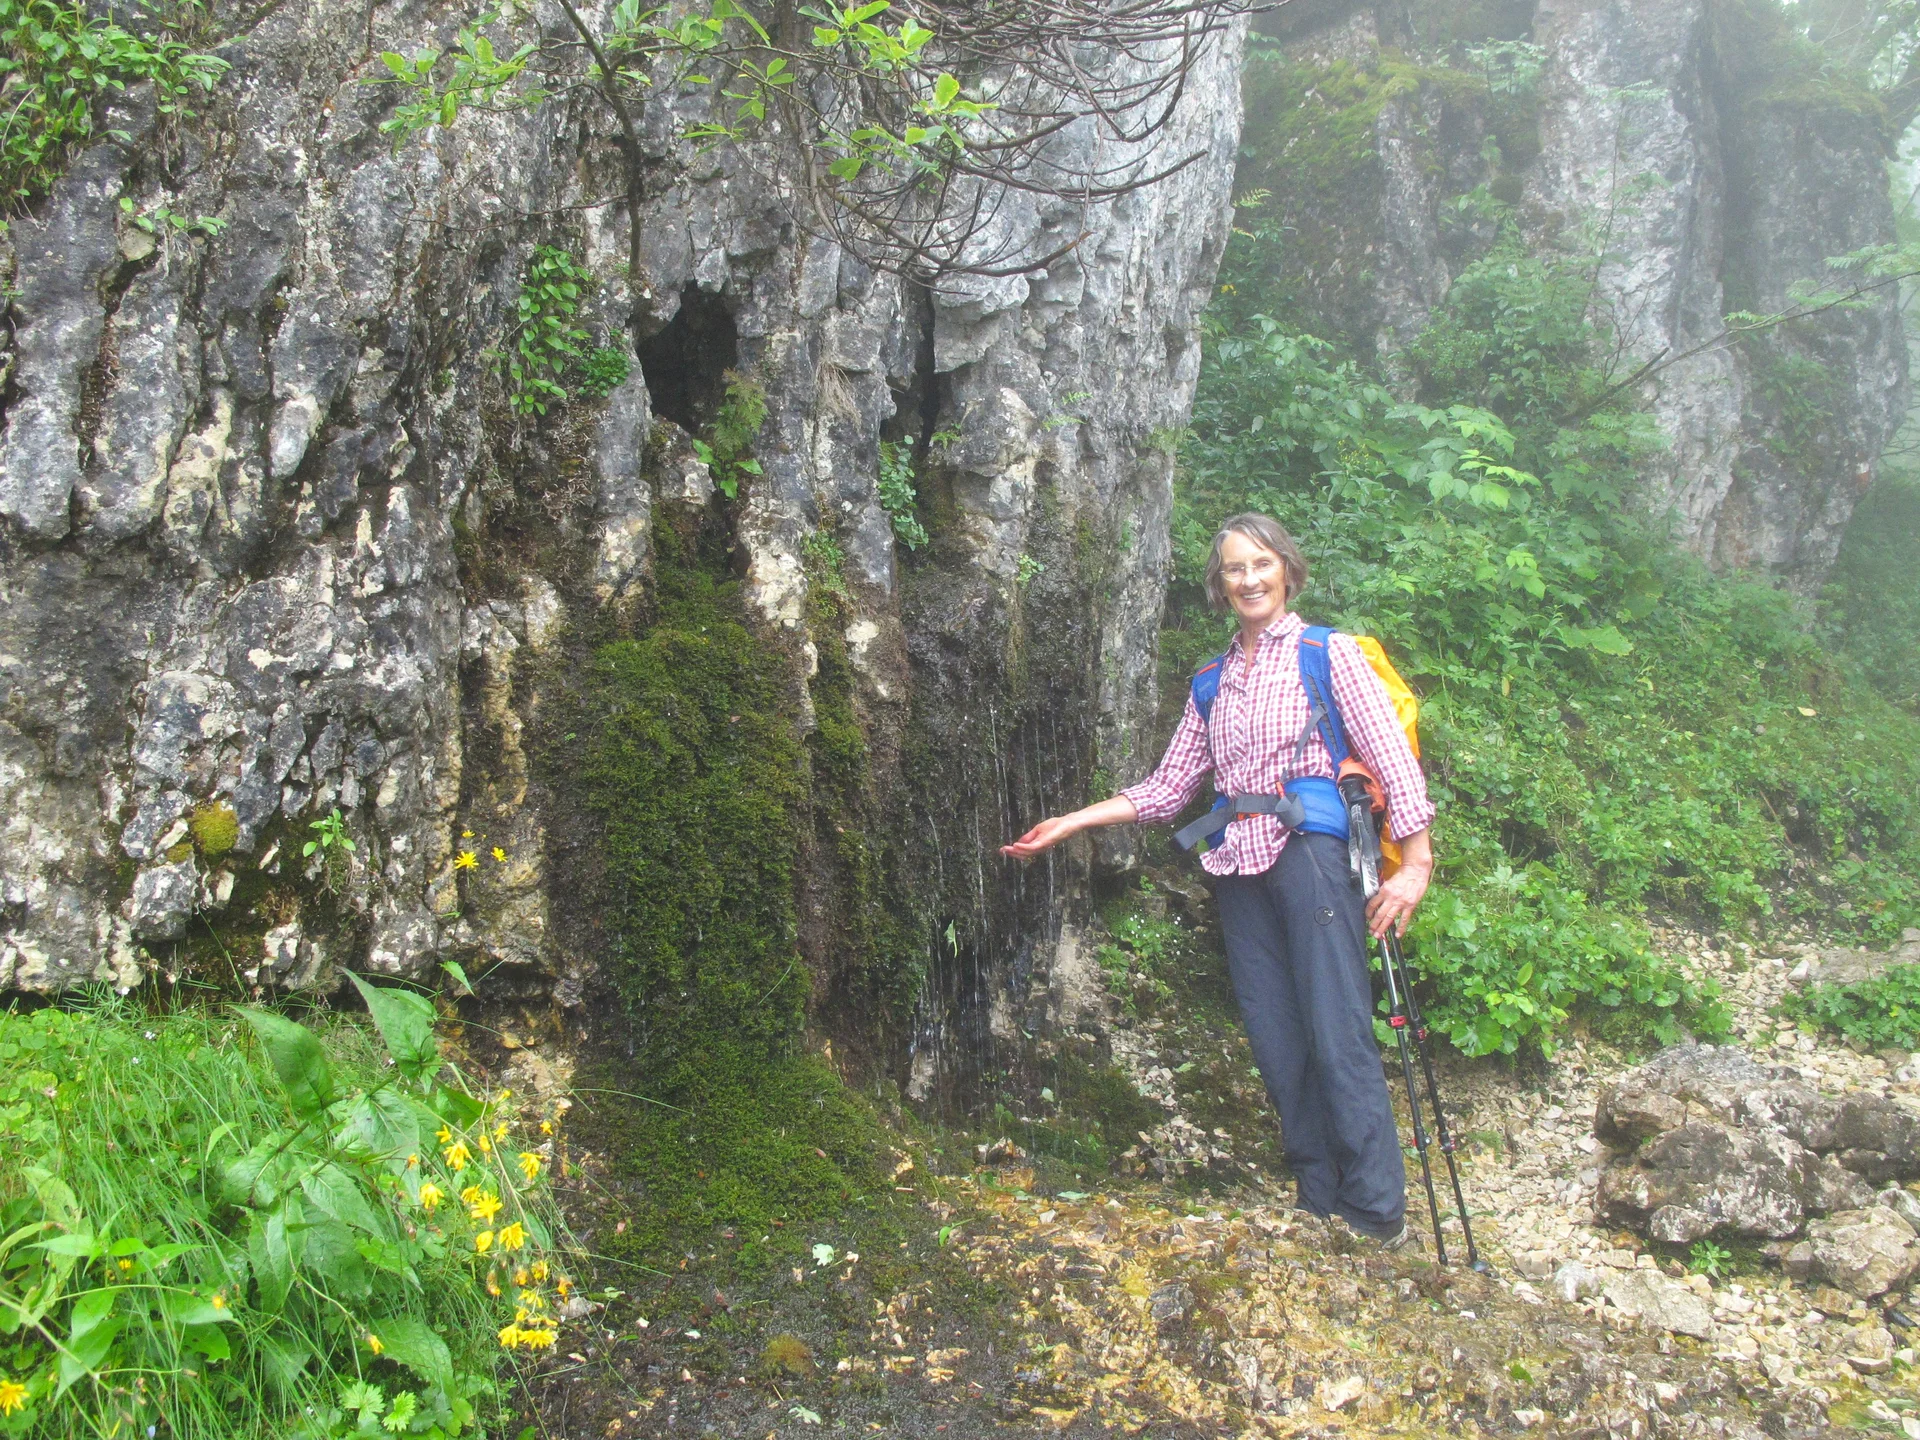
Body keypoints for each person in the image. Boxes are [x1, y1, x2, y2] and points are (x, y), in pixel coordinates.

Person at [1001, 513, 1435, 1246]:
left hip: (1310, 854)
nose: (1249, 579)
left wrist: (1415, 864)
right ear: (1219, 585)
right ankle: (1319, 1200)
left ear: (1287, 571)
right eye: (1234, 568)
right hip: (1237, 864)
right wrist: (1072, 821)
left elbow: (1392, 758)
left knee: (1336, 1028)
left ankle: (1375, 1212)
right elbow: (1170, 788)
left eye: (1261, 563)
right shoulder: (1212, 680)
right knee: (1274, 1036)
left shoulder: (1328, 655)